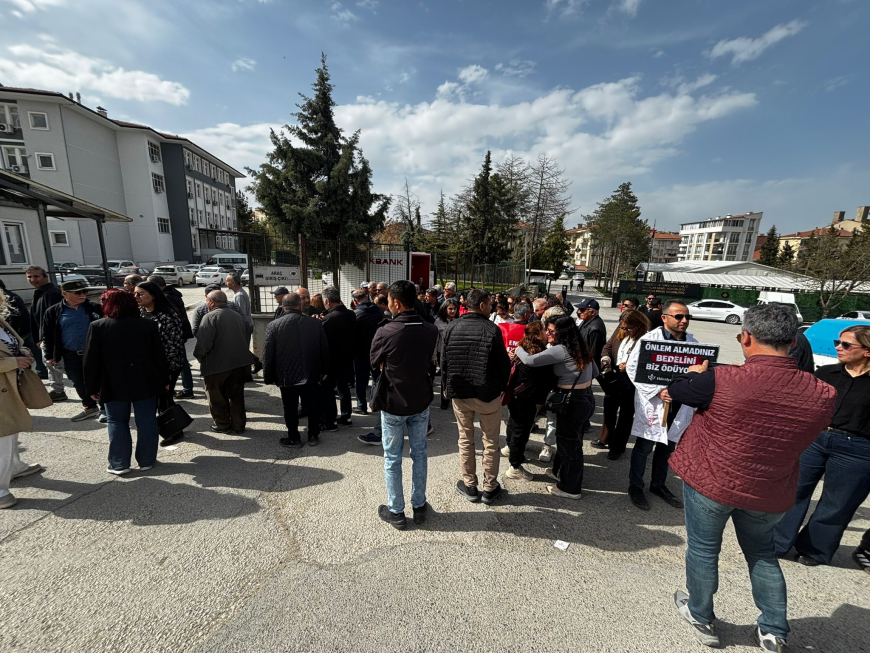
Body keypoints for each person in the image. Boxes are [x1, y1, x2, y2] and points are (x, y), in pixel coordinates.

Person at [666, 303, 836, 651]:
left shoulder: (722, 379)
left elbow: (678, 390)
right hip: (770, 488)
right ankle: (773, 629)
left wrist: (697, 374)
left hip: (712, 481)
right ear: (793, 340)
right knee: (762, 554)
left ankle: (700, 614)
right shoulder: (823, 393)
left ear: (745, 338)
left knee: (702, 550)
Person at [774, 324, 870, 566]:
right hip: (815, 440)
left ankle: (814, 550)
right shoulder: (826, 374)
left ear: (867, 350)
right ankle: (776, 543)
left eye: (846, 344)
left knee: (837, 504)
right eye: (838, 342)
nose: (838, 347)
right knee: (792, 492)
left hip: (858, 449)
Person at [371, 280, 439, 529]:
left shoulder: (385, 331)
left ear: (396, 302)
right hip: (420, 400)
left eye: (388, 299)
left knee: (392, 457)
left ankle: (396, 510)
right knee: (419, 454)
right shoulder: (430, 330)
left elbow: (375, 362)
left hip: (393, 402)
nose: (387, 303)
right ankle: (419, 505)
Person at [84, 289, 169, 475]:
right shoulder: (148, 325)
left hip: (113, 381)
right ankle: (147, 460)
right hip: (145, 380)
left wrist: (91, 386)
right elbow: (159, 356)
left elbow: (91, 361)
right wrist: (164, 380)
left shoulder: (98, 326)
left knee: (116, 421)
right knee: (146, 420)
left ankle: (119, 463)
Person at [625, 299, 697, 511]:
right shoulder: (649, 341)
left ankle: (658, 484)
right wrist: (658, 390)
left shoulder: (692, 344)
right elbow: (633, 368)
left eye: (687, 317)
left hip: (679, 404)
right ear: (664, 318)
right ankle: (635, 486)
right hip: (655, 403)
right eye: (679, 316)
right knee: (644, 447)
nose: (684, 320)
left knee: (667, 448)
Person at [441, 288, 511, 505]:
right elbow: (504, 365)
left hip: (460, 393)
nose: (492, 308)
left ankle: (470, 485)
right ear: (481, 306)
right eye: (490, 304)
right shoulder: (492, 329)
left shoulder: (452, 326)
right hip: (487, 395)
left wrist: (446, 387)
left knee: (465, 439)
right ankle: (490, 488)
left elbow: (444, 361)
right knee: (491, 442)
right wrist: (500, 387)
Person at [516, 316, 597, 499]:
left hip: (571, 401)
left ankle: (570, 488)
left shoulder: (561, 349)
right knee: (571, 441)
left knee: (570, 445)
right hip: (585, 398)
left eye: (551, 331)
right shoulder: (581, 346)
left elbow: (530, 360)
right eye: (547, 330)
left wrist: (519, 348)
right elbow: (596, 372)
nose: (547, 334)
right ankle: (558, 472)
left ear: (563, 333)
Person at [262, 293, 329, 448]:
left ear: (283, 307)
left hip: (286, 374)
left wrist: (268, 376)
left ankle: (294, 437)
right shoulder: (315, 323)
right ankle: (313, 435)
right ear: (300, 305)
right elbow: (324, 349)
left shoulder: (274, 325)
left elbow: (268, 354)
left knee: (290, 407)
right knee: (313, 405)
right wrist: (325, 369)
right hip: (311, 372)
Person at [0, 291, 43, 509]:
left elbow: (13, 344)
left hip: (10, 386)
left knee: (11, 432)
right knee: (4, 436)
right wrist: (13, 362)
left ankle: (14, 466)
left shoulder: (1, 321)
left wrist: (23, 351)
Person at [42, 279, 103, 421]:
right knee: (78, 383)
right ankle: (90, 408)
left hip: (94, 354)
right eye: (77, 293)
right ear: (64, 293)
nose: (82, 295)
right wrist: (49, 356)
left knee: (99, 381)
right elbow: (48, 335)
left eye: (84, 292)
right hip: (71, 355)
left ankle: (105, 408)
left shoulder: (94, 308)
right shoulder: (53, 311)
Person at [134, 281, 187, 445]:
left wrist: (167, 371)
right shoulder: (141, 312)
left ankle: (175, 431)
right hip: (148, 365)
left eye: (140, 293)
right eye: (135, 293)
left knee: (164, 397)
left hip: (167, 364)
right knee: (160, 398)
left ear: (154, 295)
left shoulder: (168, 315)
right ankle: (174, 427)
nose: (136, 297)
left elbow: (173, 345)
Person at [194, 290, 252, 435]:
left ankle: (222, 424)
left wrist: (199, 356)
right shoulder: (237, 315)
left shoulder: (210, 317)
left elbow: (204, 343)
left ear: (212, 302)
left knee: (215, 395)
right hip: (238, 363)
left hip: (217, 365)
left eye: (207, 301)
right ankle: (238, 425)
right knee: (236, 396)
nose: (207, 303)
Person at [503, 322, 555, 480]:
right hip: (526, 398)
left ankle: (510, 449)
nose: (548, 333)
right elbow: (547, 380)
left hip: (515, 394)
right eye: (545, 331)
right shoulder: (539, 355)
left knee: (514, 423)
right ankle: (515, 467)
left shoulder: (522, 347)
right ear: (538, 336)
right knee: (522, 430)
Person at [600, 309, 651, 460]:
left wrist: (629, 366)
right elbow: (607, 347)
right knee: (609, 410)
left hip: (631, 383)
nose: (625, 330)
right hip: (614, 376)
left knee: (625, 417)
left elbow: (648, 363)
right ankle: (607, 438)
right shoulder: (620, 329)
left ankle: (617, 447)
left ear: (639, 326)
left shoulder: (647, 339)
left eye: (628, 328)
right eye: (623, 327)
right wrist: (606, 359)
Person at [148, 275, 195, 400]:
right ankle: (187, 388)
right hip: (180, 333)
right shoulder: (173, 294)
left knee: (182, 362)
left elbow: (175, 318)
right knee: (182, 361)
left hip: (175, 335)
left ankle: (187, 389)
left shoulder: (167, 298)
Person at [26, 265, 65, 400]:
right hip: (44, 338)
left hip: (52, 338)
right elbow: (36, 318)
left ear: (45, 277)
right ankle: (57, 390)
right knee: (51, 365)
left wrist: (47, 338)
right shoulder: (39, 292)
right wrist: (38, 338)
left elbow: (53, 319)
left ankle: (93, 394)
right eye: (29, 277)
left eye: (36, 276)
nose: (32, 279)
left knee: (59, 365)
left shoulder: (52, 293)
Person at [320, 287, 356, 430]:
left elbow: (322, 339)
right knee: (343, 389)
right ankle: (346, 417)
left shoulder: (329, 319)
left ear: (327, 301)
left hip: (331, 361)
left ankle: (331, 421)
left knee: (328, 391)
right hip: (347, 359)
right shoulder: (350, 314)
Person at [352, 288, 383, 415]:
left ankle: (361, 406)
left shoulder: (356, 314)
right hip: (376, 350)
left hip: (361, 351)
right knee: (377, 378)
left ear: (355, 301)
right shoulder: (378, 310)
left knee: (360, 380)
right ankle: (375, 403)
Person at [225, 272, 261, 378]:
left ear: (233, 283)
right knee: (242, 349)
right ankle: (248, 372)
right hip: (245, 325)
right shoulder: (238, 293)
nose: (226, 283)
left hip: (244, 325)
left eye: (227, 281)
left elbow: (242, 314)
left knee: (242, 350)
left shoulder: (239, 295)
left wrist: (239, 328)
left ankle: (255, 364)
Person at [576, 299, 607, 366]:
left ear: (592, 312)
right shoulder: (586, 321)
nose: (579, 312)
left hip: (587, 366)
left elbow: (594, 354)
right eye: (579, 309)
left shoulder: (595, 329)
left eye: (582, 310)